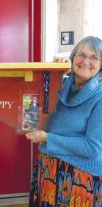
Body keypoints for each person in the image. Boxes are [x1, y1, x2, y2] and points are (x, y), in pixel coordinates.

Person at [26, 36, 102, 206]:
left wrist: (48, 138)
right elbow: (37, 104)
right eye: (81, 55)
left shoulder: (100, 96)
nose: (85, 61)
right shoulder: (62, 83)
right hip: (49, 168)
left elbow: (92, 148)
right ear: (72, 58)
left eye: (94, 57)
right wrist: (54, 72)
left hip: (80, 178)